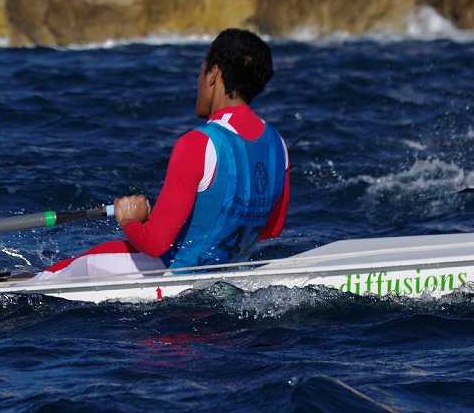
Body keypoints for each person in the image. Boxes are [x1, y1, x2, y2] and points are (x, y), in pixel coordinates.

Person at [28, 28, 289, 282]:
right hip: (226, 273)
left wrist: (130, 219)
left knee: (53, 274)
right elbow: (271, 229)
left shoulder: (198, 143)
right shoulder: (277, 143)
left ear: (213, 74)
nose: (199, 82)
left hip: (172, 275)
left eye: (200, 72)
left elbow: (154, 244)